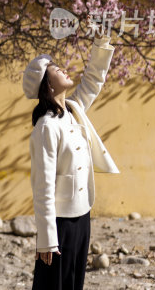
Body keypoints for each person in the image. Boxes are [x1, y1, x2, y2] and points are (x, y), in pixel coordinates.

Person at [22, 35, 120, 290]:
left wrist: (101, 45)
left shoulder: (74, 110)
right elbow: (42, 186)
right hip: (60, 223)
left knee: (75, 281)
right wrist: (46, 240)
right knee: (55, 285)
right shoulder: (45, 127)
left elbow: (93, 81)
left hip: (82, 214)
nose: (63, 68)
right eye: (56, 69)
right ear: (48, 86)